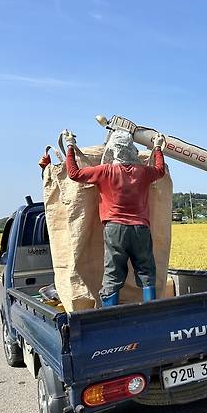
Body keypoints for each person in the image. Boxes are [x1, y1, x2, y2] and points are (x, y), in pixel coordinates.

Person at [63, 129, 166, 306]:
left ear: (112, 149)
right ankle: (151, 310)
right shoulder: (143, 172)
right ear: (131, 148)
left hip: (115, 229)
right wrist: (157, 148)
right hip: (141, 229)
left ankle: (110, 315)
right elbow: (160, 170)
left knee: (113, 272)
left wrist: (70, 146)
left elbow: (74, 174)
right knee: (147, 271)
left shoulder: (105, 171)